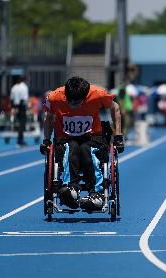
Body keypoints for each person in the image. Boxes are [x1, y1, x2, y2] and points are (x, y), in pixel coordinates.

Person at [40, 77, 124, 211]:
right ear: (66, 95)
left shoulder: (98, 94)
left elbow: (115, 108)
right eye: (70, 101)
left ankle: (97, 194)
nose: (74, 105)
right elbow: (49, 117)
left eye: (78, 102)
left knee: (86, 149)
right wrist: (46, 140)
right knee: (71, 147)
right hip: (65, 139)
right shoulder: (54, 97)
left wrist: (118, 135)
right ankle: (69, 189)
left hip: (92, 138)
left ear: (85, 97)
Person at [10, 76, 29, 146]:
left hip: (15, 106)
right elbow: (24, 99)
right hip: (21, 106)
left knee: (18, 123)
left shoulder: (14, 87)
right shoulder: (24, 87)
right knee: (22, 123)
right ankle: (20, 140)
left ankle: (20, 139)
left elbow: (11, 99)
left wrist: (13, 108)